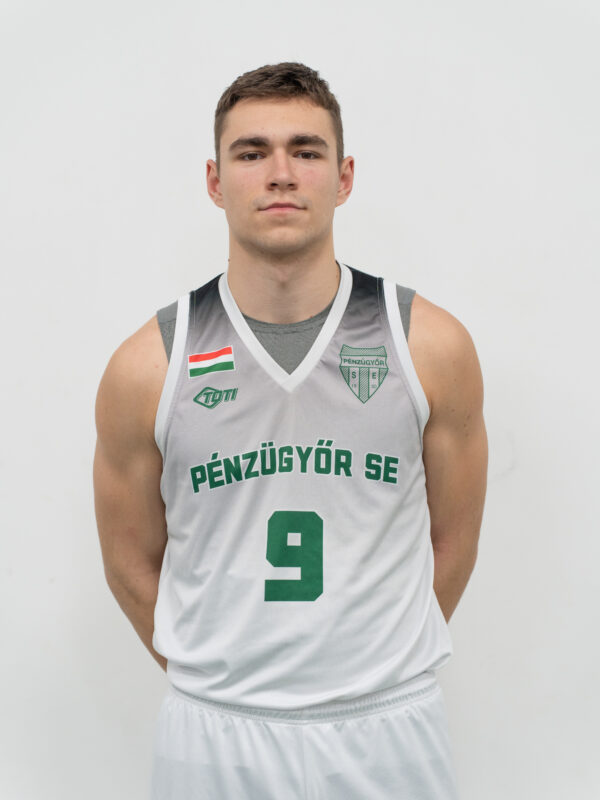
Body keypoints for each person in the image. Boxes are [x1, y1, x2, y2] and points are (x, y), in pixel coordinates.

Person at [93, 61, 488, 799]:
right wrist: (221, 674)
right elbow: (128, 562)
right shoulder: (148, 366)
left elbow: (454, 542)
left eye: (306, 151)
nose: (280, 173)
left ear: (343, 178)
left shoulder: (429, 346)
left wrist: (375, 665)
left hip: (387, 725)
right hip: (215, 730)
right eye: (252, 153)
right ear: (215, 181)